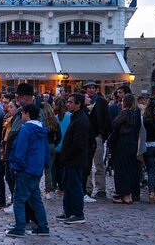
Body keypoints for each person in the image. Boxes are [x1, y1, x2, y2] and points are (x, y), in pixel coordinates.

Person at [6, 104, 50, 237]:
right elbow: (46, 150)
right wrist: (45, 164)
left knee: (19, 199)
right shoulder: (42, 129)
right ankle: (43, 226)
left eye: (22, 114)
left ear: (26, 114)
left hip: (25, 169)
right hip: (36, 169)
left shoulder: (26, 129)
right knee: (35, 199)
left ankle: (20, 228)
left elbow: (20, 150)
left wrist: (17, 166)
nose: (21, 117)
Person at [58, 93, 89, 224]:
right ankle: (69, 211)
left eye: (71, 102)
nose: (68, 104)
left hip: (75, 160)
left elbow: (78, 144)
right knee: (69, 186)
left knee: (75, 187)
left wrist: (68, 155)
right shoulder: (75, 118)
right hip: (70, 160)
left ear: (78, 104)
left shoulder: (81, 120)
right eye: (68, 102)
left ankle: (77, 213)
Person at [83, 80, 111, 199]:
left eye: (93, 88)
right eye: (89, 88)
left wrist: (102, 133)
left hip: (97, 136)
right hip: (85, 137)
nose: (91, 90)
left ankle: (101, 189)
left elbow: (107, 119)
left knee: (99, 164)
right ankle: (87, 188)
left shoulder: (101, 102)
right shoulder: (82, 102)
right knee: (86, 165)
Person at [110, 94, 141, 204]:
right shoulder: (136, 113)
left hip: (123, 143)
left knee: (122, 170)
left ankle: (125, 194)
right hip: (133, 143)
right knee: (131, 169)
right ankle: (131, 194)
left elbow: (114, 124)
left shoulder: (125, 112)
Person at [0, 100, 18, 209]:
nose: (7, 108)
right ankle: (2, 199)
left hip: (9, 153)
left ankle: (14, 201)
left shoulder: (16, 120)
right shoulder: (5, 118)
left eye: (11, 106)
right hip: (3, 152)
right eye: (7, 105)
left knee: (9, 178)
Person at [41, 102, 62, 199]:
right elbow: (59, 136)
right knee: (48, 170)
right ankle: (48, 191)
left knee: (37, 169)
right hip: (52, 145)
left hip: (42, 146)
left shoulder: (41, 121)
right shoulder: (54, 121)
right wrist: (55, 143)